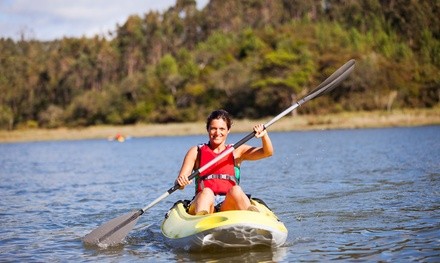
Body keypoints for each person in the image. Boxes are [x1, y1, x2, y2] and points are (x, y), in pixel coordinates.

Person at [175, 109, 273, 215]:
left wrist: (264, 136)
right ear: (207, 129)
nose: (217, 133)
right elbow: (180, 184)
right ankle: (201, 222)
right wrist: (181, 182)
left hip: (228, 204)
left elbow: (267, 152)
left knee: (236, 190)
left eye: (222, 129)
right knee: (207, 192)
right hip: (204, 202)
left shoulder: (236, 151)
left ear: (228, 130)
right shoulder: (196, 151)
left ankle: (252, 218)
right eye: (213, 128)